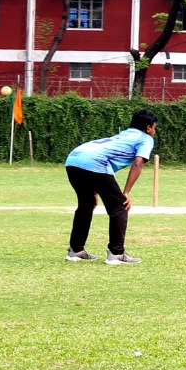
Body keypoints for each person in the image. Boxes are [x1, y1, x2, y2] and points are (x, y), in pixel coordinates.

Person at [63, 108, 155, 264]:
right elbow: (138, 163)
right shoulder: (146, 138)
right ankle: (116, 253)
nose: (154, 131)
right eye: (154, 128)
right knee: (120, 206)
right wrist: (126, 192)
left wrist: (94, 188)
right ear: (148, 128)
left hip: (73, 159)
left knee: (87, 203)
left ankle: (76, 250)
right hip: (94, 162)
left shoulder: (124, 134)